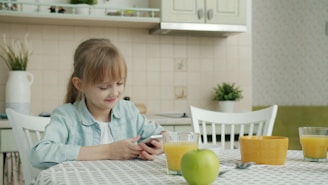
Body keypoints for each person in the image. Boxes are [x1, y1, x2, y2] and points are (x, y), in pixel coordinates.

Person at [29, 38, 165, 169]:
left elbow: (165, 136)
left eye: (119, 83)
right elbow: (40, 154)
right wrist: (109, 151)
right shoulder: (66, 116)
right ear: (79, 84)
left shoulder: (128, 111)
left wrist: (160, 146)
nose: (115, 92)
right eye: (104, 87)